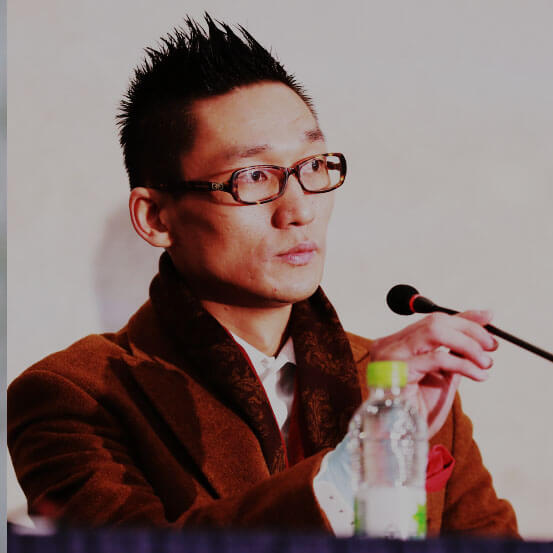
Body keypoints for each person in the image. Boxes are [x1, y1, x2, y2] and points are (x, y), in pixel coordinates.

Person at [7, 16, 518, 536]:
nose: (299, 209)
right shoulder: (74, 394)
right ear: (156, 217)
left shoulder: (404, 386)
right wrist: (360, 460)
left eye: (313, 166)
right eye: (252, 176)